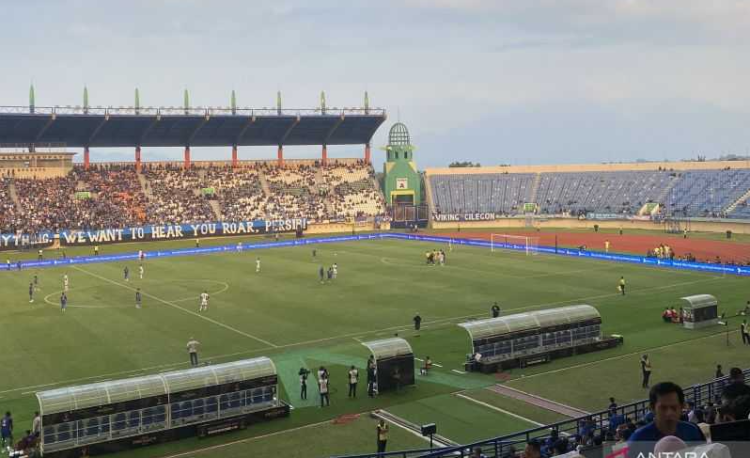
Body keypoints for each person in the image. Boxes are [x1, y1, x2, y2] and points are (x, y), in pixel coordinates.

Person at [628, 382, 705, 455]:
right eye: (663, 408)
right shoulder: (639, 439)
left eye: (674, 407)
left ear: (682, 407)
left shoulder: (693, 431)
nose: (669, 413)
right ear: (652, 408)